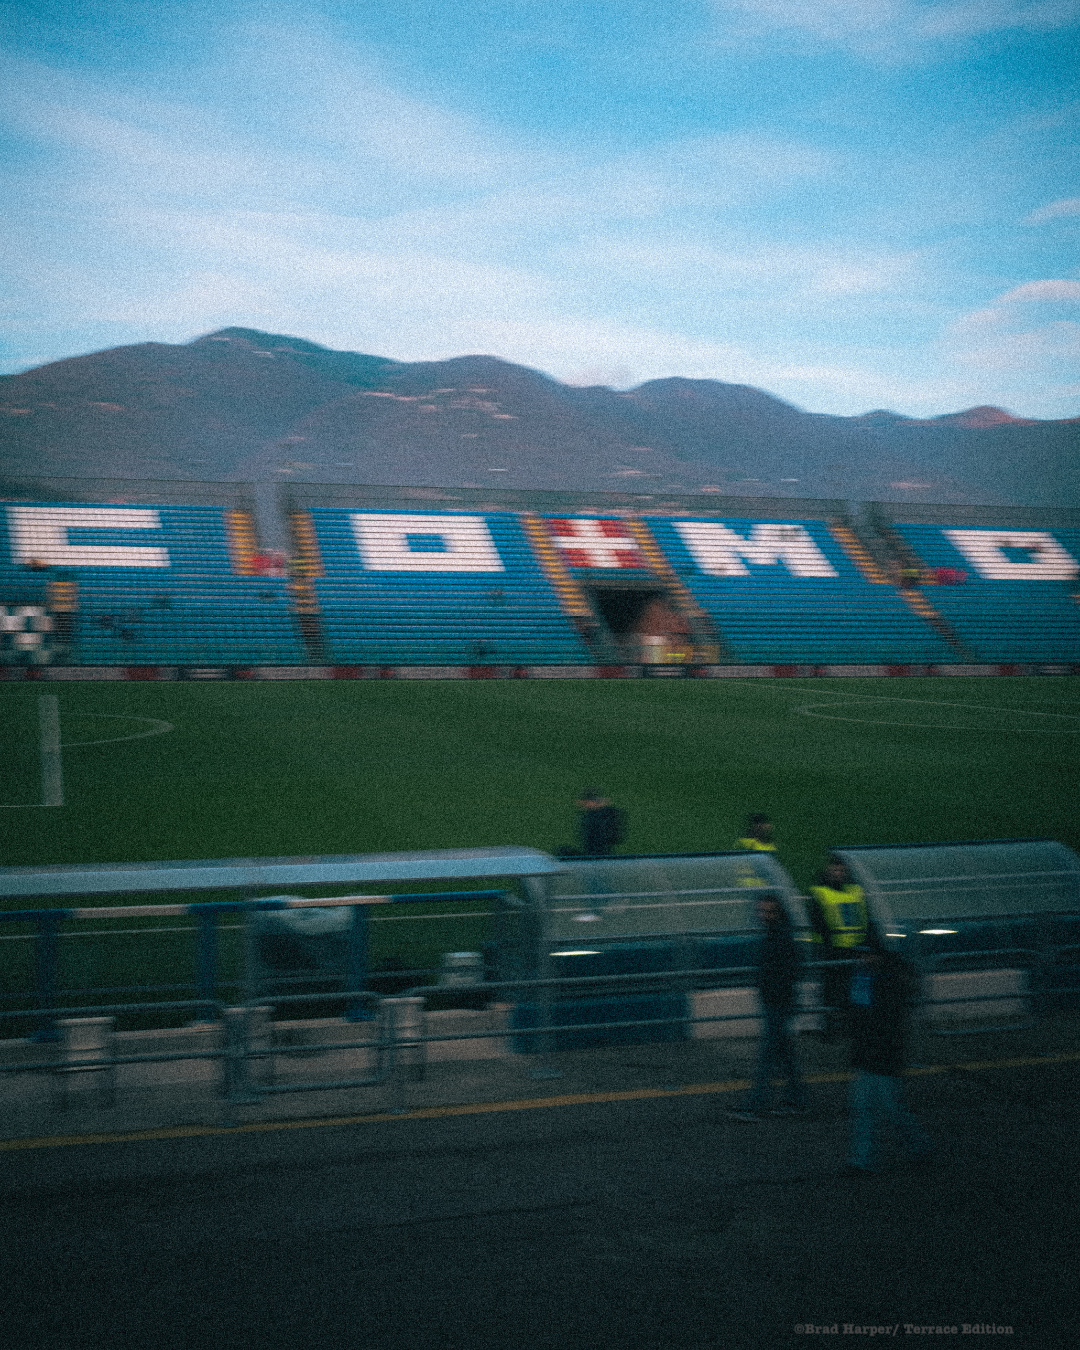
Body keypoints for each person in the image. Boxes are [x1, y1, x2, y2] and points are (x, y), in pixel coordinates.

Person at [845, 941, 932, 1173]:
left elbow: (883, 1021)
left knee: (889, 1107)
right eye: (860, 955)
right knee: (865, 1106)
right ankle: (862, 1159)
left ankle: (919, 1146)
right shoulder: (868, 978)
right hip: (872, 1053)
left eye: (867, 955)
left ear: (878, 955)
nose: (862, 959)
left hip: (882, 1054)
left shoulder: (884, 980)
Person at [730, 895, 808, 1121]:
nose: (764, 915)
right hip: (778, 1002)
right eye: (762, 911)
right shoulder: (779, 934)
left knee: (767, 1058)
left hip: (777, 1004)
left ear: (778, 913)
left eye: (768, 912)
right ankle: (797, 1100)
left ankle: (756, 1105)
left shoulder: (779, 938)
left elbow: (786, 972)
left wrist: (776, 996)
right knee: (785, 1056)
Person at [806, 857, 868, 1039]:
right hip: (831, 950)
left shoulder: (856, 891)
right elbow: (817, 921)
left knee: (851, 990)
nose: (838, 874)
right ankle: (831, 1028)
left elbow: (864, 917)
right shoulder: (820, 893)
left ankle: (847, 1027)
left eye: (841, 871)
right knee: (832, 991)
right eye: (835, 870)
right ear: (828, 872)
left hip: (854, 949)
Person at [575, 789, 626, 857]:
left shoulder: (601, 815)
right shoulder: (595, 814)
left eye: (585, 802)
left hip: (597, 854)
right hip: (597, 854)